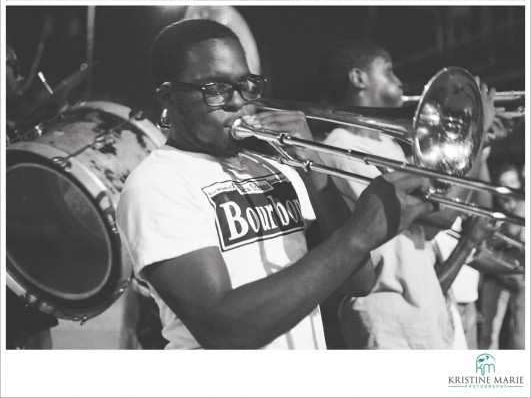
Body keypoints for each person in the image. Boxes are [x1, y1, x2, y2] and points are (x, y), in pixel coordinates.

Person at [116, 19, 435, 350]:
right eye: (216, 89)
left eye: (245, 85)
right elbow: (225, 330)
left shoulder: (274, 168)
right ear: (169, 97)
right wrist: (360, 232)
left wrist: (315, 166)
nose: (238, 102)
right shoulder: (156, 182)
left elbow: (359, 280)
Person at [300, 38, 496, 349]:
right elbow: (442, 215)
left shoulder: (391, 147)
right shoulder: (338, 145)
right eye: (389, 71)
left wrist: (473, 144)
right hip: (388, 315)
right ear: (358, 78)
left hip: (426, 309)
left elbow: (429, 230)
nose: (399, 80)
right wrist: (478, 130)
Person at [5, 44, 59, 348]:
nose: (17, 75)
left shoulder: (16, 124)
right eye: (10, 66)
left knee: (36, 331)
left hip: (20, 257)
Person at [478, 161, 525, 350]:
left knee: (521, 335)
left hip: (521, 280)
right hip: (496, 277)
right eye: (505, 182)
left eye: (513, 181)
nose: (510, 186)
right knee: (488, 334)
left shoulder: (524, 207)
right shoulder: (491, 209)